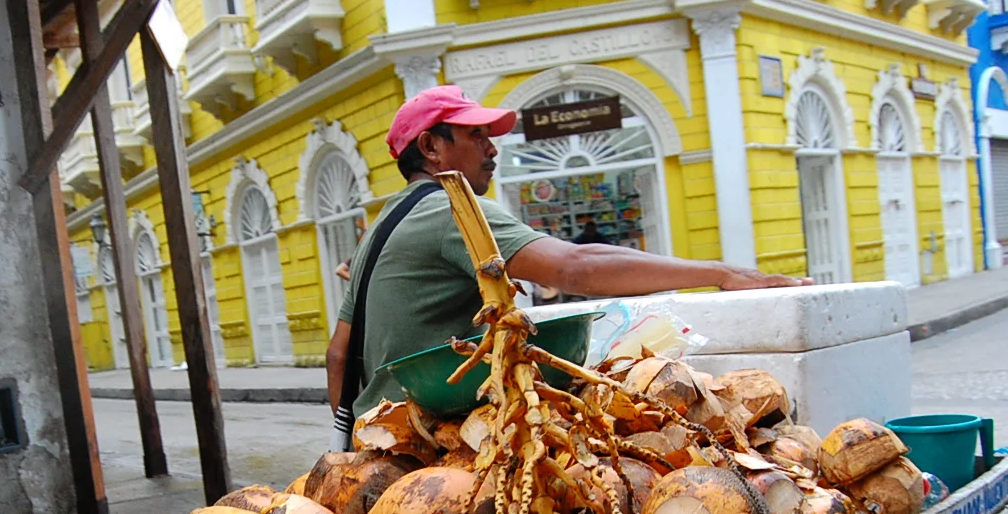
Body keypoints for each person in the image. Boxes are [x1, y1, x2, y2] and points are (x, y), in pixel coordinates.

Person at [325, 85, 810, 419]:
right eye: (476, 135)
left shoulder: (380, 225)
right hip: (433, 437)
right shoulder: (451, 208)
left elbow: (338, 355)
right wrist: (720, 274)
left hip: (380, 438)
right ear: (431, 147)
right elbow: (574, 268)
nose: (491, 149)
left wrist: (356, 434)